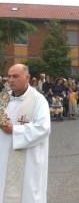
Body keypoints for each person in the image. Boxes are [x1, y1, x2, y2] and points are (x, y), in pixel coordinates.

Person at [0, 64, 50, 203]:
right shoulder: (3, 98)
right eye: (9, 76)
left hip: (29, 160)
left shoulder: (38, 100)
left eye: (15, 76)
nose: (11, 80)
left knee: (27, 195)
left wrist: (15, 130)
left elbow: (43, 128)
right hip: (3, 157)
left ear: (27, 77)